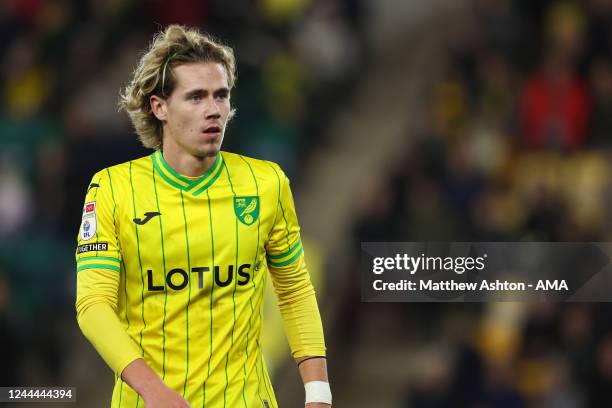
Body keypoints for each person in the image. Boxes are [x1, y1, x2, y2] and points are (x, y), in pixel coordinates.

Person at [75, 24, 331, 408]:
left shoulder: (265, 183)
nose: (213, 110)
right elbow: (93, 306)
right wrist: (155, 392)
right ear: (159, 106)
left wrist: (318, 394)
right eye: (195, 97)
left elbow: (294, 290)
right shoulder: (113, 189)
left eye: (221, 96)